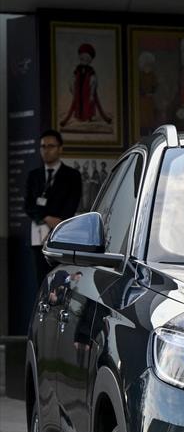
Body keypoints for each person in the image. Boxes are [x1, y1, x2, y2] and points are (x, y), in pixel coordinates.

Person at [24, 129, 83, 283]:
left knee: (61, 279)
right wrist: (46, 217)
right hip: (39, 236)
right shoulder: (34, 175)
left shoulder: (72, 175)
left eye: (51, 146)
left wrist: (58, 222)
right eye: (43, 146)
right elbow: (28, 205)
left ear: (60, 149)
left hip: (62, 234)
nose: (46, 150)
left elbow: (72, 203)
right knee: (41, 279)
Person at [59, 43, 113, 128]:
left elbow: (93, 80)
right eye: (82, 58)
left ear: (90, 59)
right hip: (79, 89)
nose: (84, 60)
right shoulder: (78, 68)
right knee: (77, 103)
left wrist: (91, 92)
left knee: (88, 104)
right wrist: (72, 87)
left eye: (87, 58)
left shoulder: (91, 70)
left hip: (87, 90)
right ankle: (77, 117)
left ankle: (90, 117)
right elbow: (73, 78)